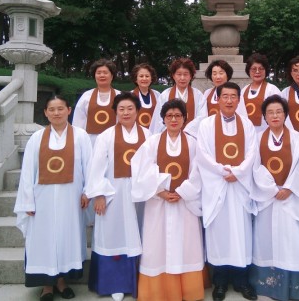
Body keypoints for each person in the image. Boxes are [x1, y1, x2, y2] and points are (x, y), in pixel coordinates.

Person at [14, 95, 92, 301]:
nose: (56, 113)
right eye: (52, 109)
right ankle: (46, 285)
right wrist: (28, 200)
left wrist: (87, 191)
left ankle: (62, 281)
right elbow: (27, 172)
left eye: (60, 108)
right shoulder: (36, 138)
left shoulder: (81, 136)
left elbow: (89, 166)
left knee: (66, 238)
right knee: (43, 240)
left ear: (69, 110)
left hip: (71, 199)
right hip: (43, 200)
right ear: (46, 113)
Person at [131, 99, 205, 301]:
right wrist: (160, 191)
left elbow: (198, 171)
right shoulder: (152, 142)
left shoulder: (193, 143)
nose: (173, 119)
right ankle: (158, 292)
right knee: (157, 246)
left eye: (178, 116)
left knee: (186, 245)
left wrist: (182, 191)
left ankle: (188, 291)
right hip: (159, 203)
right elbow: (142, 169)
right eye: (169, 116)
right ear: (163, 119)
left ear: (184, 119)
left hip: (185, 203)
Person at [250, 95, 299, 301]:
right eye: (270, 112)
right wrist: (272, 189)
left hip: (292, 197)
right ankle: (269, 287)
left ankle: (295, 288)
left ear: (285, 115)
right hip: (268, 197)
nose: (274, 116)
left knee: (293, 240)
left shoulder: (297, 138)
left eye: (279, 112)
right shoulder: (257, 139)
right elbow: (255, 167)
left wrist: (289, 188)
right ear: (264, 116)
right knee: (267, 240)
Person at [195, 81, 258, 301]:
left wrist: (238, 173)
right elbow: (202, 154)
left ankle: (242, 281)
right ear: (218, 99)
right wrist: (222, 172)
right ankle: (220, 282)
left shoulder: (247, 125)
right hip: (217, 185)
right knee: (219, 233)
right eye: (225, 96)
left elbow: (252, 153)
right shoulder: (206, 125)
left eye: (233, 97)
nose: (229, 100)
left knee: (241, 233)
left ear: (239, 100)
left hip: (239, 187)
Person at [85, 92, 151, 301]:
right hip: (113, 194)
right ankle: (115, 283)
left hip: (141, 196)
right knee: (114, 236)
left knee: (139, 233)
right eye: (121, 109)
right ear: (115, 112)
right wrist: (99, 195)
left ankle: (140, 281)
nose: (126, 113)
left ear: (137, 111)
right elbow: (96, 167)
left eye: (130, 108)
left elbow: (153, 165)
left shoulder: (148, 135)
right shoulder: (106, 136)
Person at [149, 58, 206, 134]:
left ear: (191, 76)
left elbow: (202, 117)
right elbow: (159, 119)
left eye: (185, 74)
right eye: (179, 74)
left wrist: (187, 130)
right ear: (173, 75)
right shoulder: (165, 95)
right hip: (169, 136)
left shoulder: (198, 95)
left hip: (191, 136)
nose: (182, 78)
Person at [72, 58, 120, 145]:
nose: (102, 75)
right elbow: (78, 120)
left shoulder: (119, 96)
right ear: (94, 76)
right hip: (90, 141)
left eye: (105, 72)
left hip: (113, 140)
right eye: (98, 73)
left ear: (112, 76)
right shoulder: (86, 96)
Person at [240, 53, 281, 133]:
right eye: (254, 69)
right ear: (248, 71)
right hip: (247, 133)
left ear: (266, 70)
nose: (257, 72)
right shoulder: (243, 91)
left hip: (267, 132)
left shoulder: (272, 90)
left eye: (261, 69)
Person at [130, 63, 160, 129]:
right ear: (136, 79)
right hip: (136, 132)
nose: (144, 78)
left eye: (147, 76)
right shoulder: (130, 96)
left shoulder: (157, 95)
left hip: (154, 132)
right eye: (141, 76)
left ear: (151, 79)